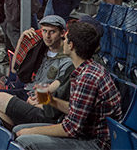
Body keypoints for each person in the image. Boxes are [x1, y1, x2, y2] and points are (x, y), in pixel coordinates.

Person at [13, 21, 122, 150]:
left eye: (65, 39)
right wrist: (49, 100)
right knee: (17, 130)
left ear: (71, 45)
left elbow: (71, 129)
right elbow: (75, 109)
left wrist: (30, 132)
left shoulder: (87, 78)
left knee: (23, 139)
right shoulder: (87, 68)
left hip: (94, 142)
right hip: (84, 132)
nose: (62, 41)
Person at [0, 16, 73, 124]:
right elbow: (15, 69)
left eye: (52, 32)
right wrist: (22, 41)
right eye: (44, 31)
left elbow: (56, 89)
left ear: (62, 33)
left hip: (42, 101)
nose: (47, 36)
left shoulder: (66, 60)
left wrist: (38, 101)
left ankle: (12, 133)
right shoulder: (40, 47)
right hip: (28, 92)